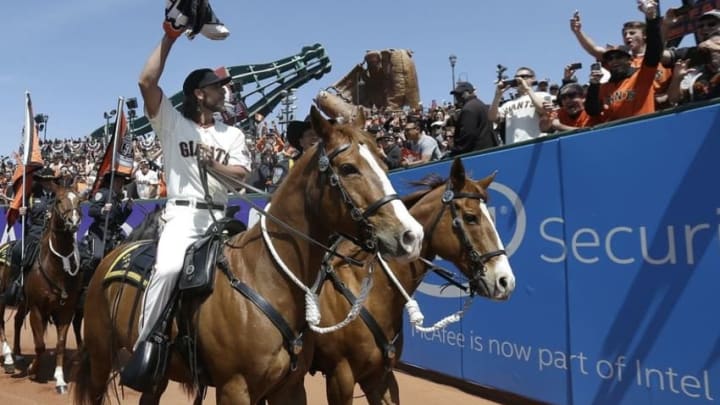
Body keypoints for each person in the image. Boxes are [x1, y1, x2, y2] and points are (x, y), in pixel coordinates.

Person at [126, 22, 251, 377]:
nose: (223, 92)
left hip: (222, 218)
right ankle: (145, 347)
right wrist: (169, 35)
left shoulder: (234, 133)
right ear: (199, 94)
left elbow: (241, 176)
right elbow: (146, 83)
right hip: (182, 218)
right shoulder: (173, 124)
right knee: (166, 270)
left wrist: (211, 162)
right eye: (216, 87)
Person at [585, 0, 662, 123]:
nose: (614, 61)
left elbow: (654, 51)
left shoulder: (642, 75)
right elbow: (592, 111)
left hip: (646, 130)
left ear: (629, 59)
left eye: (619, 57)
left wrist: (651, 20)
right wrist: (594, 85)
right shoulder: (604, 87)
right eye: (610, 58)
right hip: (618, 136)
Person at [5, 167, 58, 305]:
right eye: (44, 180)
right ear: (40, 181)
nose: (47, 183)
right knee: (17, 251)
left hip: (52, 234)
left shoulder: (57, 196)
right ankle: (16, 283)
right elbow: (23, 219)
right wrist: (22, 213)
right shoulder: (32, 196)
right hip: (34, 232)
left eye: (49, 180)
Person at [80, 172, 133, 277]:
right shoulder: (103, 193)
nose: (121, 185)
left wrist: (128, 209)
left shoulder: (117, 198)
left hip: (112, 234)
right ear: (112, 182)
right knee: (97, 257)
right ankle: (86, 280)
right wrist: (102, 210)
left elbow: (119, 221)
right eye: (119, 182)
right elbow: (92, 210)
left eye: (122, 183)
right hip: (99, 232)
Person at [488, 67, 551, 144]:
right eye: (517, 77)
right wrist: (497, 95)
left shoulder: (542, 95)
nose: (520, 79)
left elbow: (543, 110)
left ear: (533, 79)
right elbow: (492, 117)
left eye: (524, 76)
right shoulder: (508, 104)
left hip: (537, 143)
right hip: (514, 146)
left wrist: (528, 89)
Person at [447, 81, 497, 155]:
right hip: (488, 150)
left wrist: (455, 150)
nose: (457, 97)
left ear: (468, 92)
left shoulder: (468, 108)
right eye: (456, 95)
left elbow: (467, 135)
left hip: (476, 153)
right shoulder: (481, 104)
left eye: (460, 94)